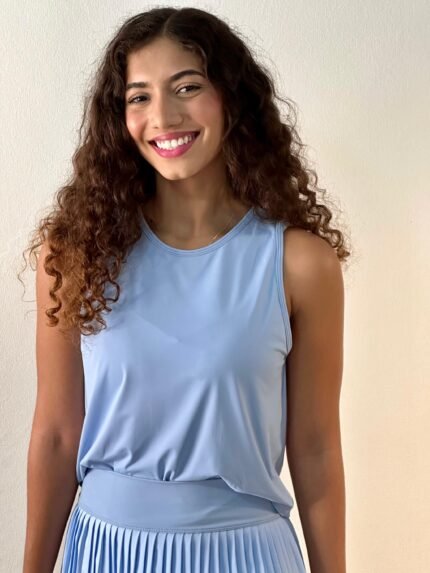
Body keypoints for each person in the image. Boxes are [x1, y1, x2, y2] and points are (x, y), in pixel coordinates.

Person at [21, 7, 350, 573]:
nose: (163, 116)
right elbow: (55, 435)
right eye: (139, 96)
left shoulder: (300, 265)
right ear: (119, 116)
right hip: (106, 553)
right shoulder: (77, 254)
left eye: (188, 87)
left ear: (231, 99)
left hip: (247, 556)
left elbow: (317, 448)